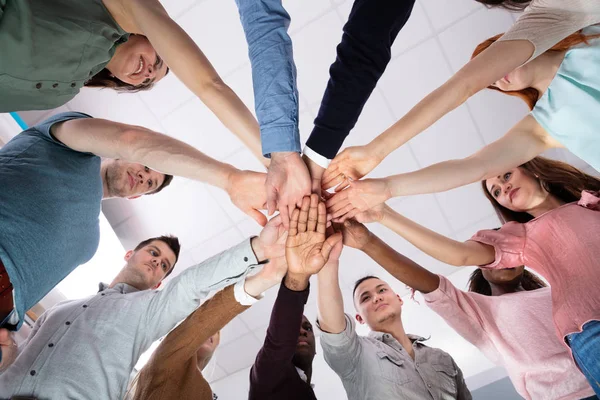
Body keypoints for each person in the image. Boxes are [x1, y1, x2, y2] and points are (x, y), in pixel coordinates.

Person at [343, 157, 600, 394]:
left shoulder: (553, 291)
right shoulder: (487, 302)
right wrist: (383, 218)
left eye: (506, 176)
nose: (503, 188)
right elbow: (455, 258)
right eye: (496, 191)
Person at [0, 111, 267, 335]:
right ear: (120, 153)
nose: (143, 176)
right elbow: (131, 139)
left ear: (138, 195)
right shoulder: (70, 146)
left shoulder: (93, 237)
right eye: (147, 165)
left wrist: (10, 328)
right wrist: (231, 179)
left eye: (150, 183)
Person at [322, 1, 600, 216]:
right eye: (492, 82)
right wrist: (388, 187)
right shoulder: (544, 125)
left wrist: (376, 150)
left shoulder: (571, 16)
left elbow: (463, 85)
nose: (495, 77)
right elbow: (475, 167)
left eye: (491, 63)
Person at [0, 216, 287, 398]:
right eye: (153, 252)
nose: (157, 263)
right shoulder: (59, 309)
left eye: (164, 266)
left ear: (160, 282)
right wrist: (9, 352)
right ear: (129, 253)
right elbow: (18, 358)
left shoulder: (147, 309)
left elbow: (189, 285)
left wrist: (259, 249)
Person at [1, 0, 265, 162]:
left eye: (146, 81)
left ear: (118, 79)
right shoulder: (122, 7)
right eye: (159, 59)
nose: (148, 73)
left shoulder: (64, 90)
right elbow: (209, 85)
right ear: (149, 34)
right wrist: (272, 157)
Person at [125, 215, 290, 400]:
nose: (213, 331)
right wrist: (266, 275)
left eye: (216, 330)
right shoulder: (164, 361)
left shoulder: (203, 388)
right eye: (214, 327)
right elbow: (201, 322)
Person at [316, 233, 472, 399]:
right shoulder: (356, 355)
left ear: (399, 299)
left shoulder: (441, 358)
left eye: (382, 290)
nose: (377, 297)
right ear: (359, 318)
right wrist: (328, 263)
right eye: (366, 298)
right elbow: (334, 331)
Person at [249, 194, 342, 400]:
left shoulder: (307, 390)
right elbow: (279, 342)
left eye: (307, 328)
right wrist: (298, 276)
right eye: (296, 327)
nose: (301, 332)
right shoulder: (267, 376)